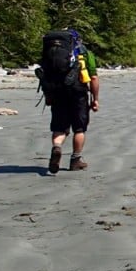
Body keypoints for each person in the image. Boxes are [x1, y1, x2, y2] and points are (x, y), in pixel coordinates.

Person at [48, 33, 99, 174]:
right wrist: (95, 99)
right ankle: (75, 160)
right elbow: (93, 77)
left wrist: (48, 96)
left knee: (59, 127)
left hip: (58, 92)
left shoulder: (51, 52)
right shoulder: (85, 53)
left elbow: (46, 74)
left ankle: (57, 147)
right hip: (79, 92)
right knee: (79, 128)